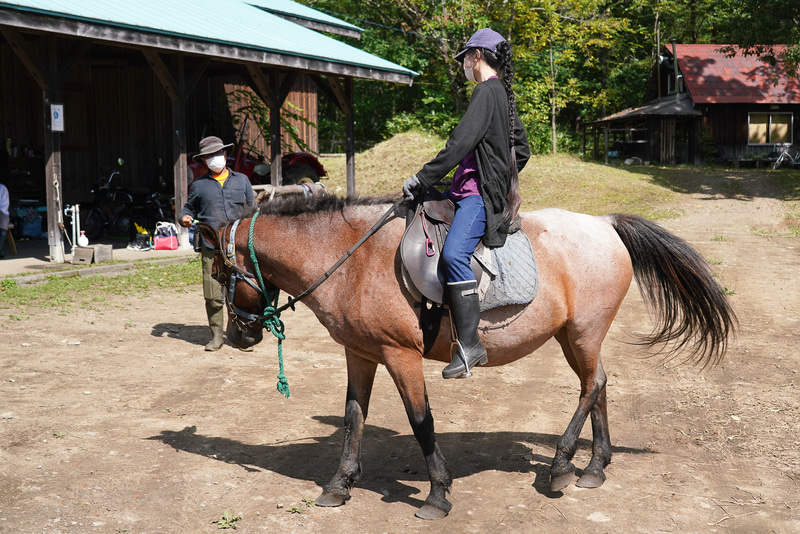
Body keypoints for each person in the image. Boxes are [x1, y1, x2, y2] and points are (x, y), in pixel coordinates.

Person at [402, 28, 530, 379]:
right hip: (468, 191)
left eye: (464, 59)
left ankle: (471, 346)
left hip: (477, 198)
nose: (463, 65)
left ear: (476, 56)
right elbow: (523, 150)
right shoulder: (502, 94)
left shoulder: (486, 92)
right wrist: (500, 174)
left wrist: (423, 178)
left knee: (454, 254)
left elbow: (459, 144)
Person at [179, 136, 255, 351]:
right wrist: (184, 218)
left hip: (238, 249)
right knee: (213, 295)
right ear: (203, 160)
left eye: (217, 154)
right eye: (209, 156)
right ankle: (216, 337)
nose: (215, 159)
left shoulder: (242, 181)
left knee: (239, 293)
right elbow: (188, 210)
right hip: (211, 247)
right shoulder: (199, 185)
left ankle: (239, 336)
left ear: (225, 154)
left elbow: (253, 211)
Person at [0, 181, 9, 259]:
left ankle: (0, 249)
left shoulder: (2, 188)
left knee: (3, 221)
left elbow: (4, 205)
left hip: (2, 213)